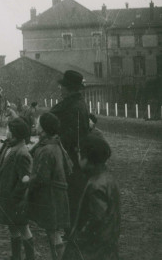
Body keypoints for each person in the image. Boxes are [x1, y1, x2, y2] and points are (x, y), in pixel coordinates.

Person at [62, 133, 120, 260]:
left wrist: (78, 239)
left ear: (87, 158)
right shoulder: (108, 178)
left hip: (93, 250)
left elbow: (96, 219)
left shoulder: (96, 186)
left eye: (79, 154)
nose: (77, 157)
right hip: (108, 244)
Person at [28, 113, 73, 260]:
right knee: (51, 231)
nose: (36, 124)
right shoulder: (53, 144)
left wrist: (27, 180)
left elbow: (42, 177)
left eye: (38, 122)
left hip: (51, 196)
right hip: (55, 193)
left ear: (44, 128)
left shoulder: (47, 149)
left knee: (53, 232)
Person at [0, 117, 34, 260]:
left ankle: (30, 257)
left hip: (17, 199)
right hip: (8, 197)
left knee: (23, 228)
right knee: (13, 227)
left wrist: (15, 197)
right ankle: (16, 256)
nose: (6, 131)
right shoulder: (9, 147)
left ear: (15, 132)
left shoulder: (22, 152)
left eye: (8, 129)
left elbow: (25, 180)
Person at [49, 70, 90, 224]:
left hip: (71, 158)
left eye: (63, 86)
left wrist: (54, 140)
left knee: (72, 194)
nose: (60, 88)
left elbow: (72, 136)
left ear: (70, 88)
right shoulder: (77, 103)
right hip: (74, 156)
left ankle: (73, 231)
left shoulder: (73, 106)